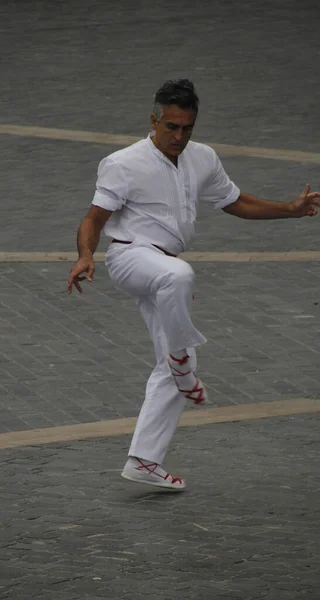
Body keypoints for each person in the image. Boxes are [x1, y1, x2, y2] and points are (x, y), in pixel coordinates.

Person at [67, 79, 319, 491]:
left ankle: (144, 459)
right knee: (180, 277)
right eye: (171, 127)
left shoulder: (202, 158)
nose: (179, 137)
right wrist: (85, 255)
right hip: (130, 257)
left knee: (168, 356)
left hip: (164, 268)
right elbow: (94, 217)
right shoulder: (123, 162)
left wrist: (290, 211)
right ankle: (182, 362)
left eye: (187, 128)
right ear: (153, 120)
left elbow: (236, 201)